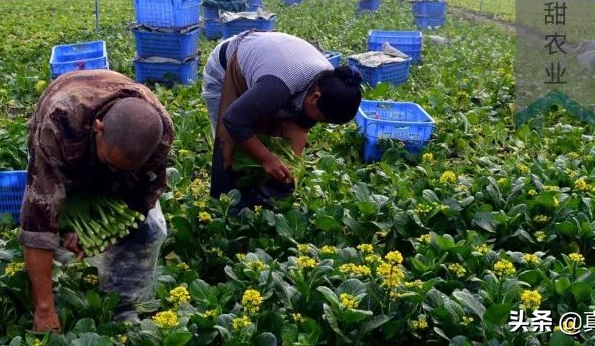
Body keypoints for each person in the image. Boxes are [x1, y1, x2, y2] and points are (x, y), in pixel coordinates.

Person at [18, 70, 174, 332]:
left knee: (149, 230)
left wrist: (101, 229)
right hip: (66, 129)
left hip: (114, 144)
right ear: (98, 128)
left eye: (124, 168)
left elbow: (144, 193)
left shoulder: (160, 134)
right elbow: (37, 223)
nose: (114, 171)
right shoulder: (58, 125)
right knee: (51, 231)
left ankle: (124, 304)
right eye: (111, 162)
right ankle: (55, 295)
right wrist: (44, 310)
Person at [201, 31, 363, 206]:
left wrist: (290, 168)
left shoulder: (331, 85)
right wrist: (267, 159)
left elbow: (300, 127)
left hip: (271, 65)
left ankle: (256, 198)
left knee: (260, 139)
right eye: (321, 118)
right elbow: (233, 120)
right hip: (226, 67)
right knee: (231, 144)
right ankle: (224, 207)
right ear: (314, 97)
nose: (317, 122)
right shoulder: (279, 86)